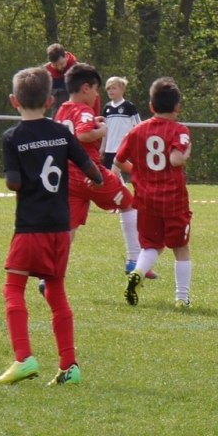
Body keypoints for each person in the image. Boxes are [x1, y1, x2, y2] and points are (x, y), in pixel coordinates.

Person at [0, 66, 102, 386]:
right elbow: (90, 168)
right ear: (50, 101)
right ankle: (69, 366)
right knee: (56, 292)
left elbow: (13, 183)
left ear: (14, 101)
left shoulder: (12, 137)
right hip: (59, 226)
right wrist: (96, 180)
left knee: (13, 288)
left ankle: (23, 358)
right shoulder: (61, 132)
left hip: (31, 225)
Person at [53, 62, 150, 286]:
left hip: (69, 178)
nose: (98, 95)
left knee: (69, 227)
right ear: (85, 88)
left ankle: (51, 274)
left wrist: (92, 124)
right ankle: (133, 259)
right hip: (91, 175)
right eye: (96, 90)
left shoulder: (62, 110)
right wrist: (103, 130)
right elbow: (83, 134)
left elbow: (73, 131)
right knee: (129, 202)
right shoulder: (84, 110)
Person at [113, 78, 193, 308]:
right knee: (180, 248)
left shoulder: (138, 130)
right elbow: (175, 159)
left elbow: (118, 160)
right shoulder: (179, 130)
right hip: (173, 200)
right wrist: (186, 150)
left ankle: (138, 271)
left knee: (152, 245)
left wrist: (138, 171)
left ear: (151, 106)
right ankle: (181, 298)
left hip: (146, 199)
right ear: (177, 107)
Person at [102, 76, 141, 172]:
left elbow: (139, 126)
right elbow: (105, 129)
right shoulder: (107, 107)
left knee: (114, 173)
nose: (110, 91)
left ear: (122, 90)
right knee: (111, 175)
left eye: (114, 88)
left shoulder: (129, 106)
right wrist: (103, 147)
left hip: (122, 147)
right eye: (108, 88)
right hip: (109, 148)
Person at [44, 44, 77, 113]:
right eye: (55, 65)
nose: (59, 68)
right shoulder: (46, 72)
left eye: (62, 64)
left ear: (66, 56)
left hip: (72, 112)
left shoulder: (77, 70)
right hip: (56, 113)